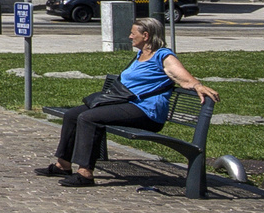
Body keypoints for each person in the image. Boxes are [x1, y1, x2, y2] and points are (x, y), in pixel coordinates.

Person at [42, 17, 217, 187]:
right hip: (127, 103)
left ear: (146, 36)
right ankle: (63, 166)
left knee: (89, 118)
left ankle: (85, 174)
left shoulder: (163, 56)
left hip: (146, 111)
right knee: (73, 115)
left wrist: (197, 86)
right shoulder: (140, 55)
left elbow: (181, 76)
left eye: (133, 33)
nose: (130, 36)